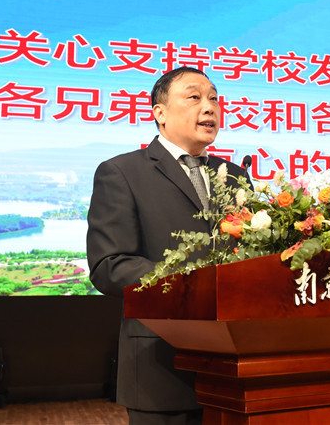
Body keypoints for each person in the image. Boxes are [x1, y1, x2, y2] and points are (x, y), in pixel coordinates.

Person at [86, 66, 250, 424]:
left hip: (234, 368)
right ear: (159, 113)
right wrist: (193, 283)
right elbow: (109, 265)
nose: (209, 107)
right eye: (194, 97)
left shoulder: (236, 176)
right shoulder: (122, 172)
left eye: (214, 99)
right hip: (161, 363)